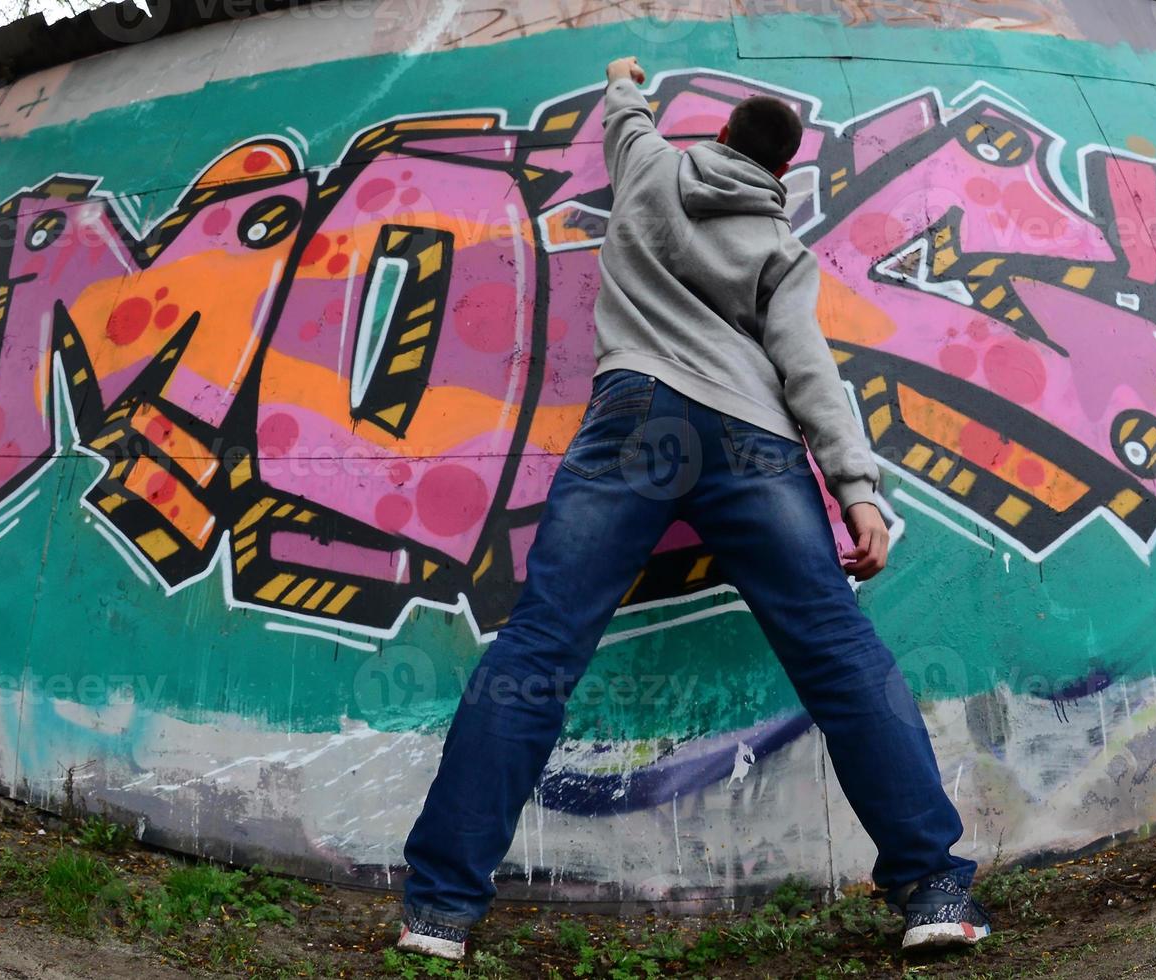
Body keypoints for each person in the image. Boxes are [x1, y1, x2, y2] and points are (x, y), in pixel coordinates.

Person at [394, 55, 988, 962]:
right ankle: (932, 888)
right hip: (754, 435)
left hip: (633, 415)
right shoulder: (780, 249)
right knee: (836, 650)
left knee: (541, 647)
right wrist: (857, 490)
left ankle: (439, 910)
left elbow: (623, 118)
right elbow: (808, 370)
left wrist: (625, 79)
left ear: (718, 140)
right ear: (780, 174)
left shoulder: (652, 167)